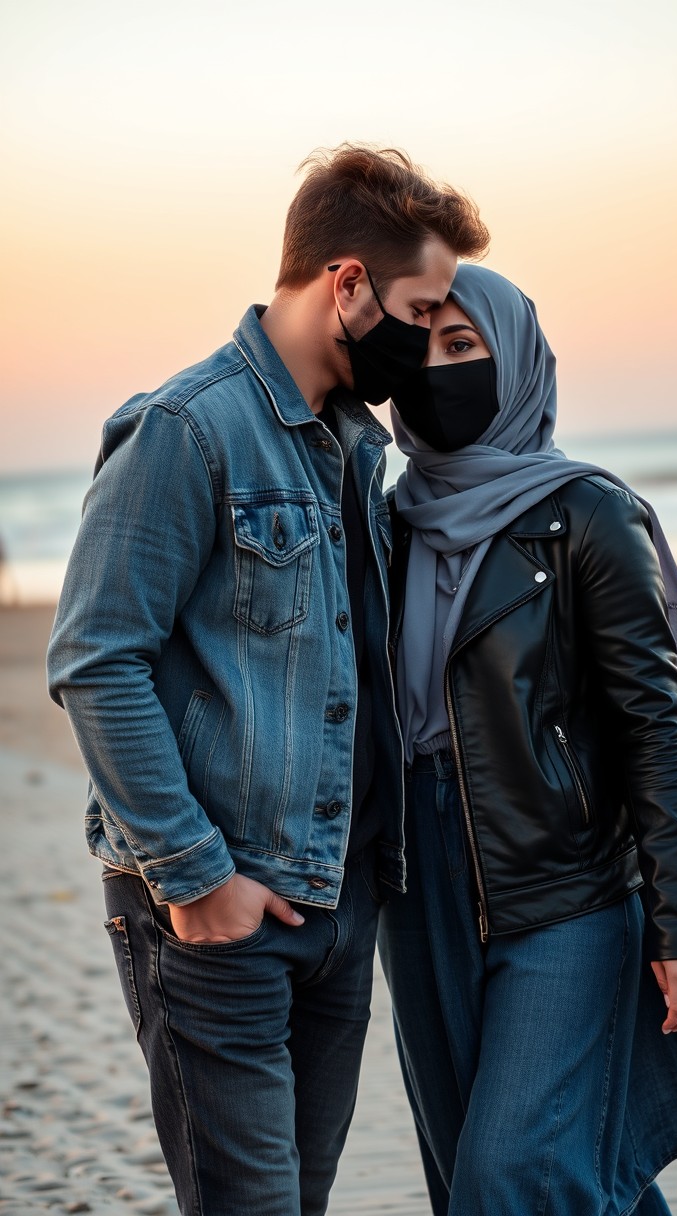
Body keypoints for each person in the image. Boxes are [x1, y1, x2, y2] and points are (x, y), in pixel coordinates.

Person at [46, 145, 489, 1216]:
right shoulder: (188, 430)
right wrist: (199, 881)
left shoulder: (356, 452)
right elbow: (96, 658)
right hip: (218, 909)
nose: (428, 338)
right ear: (345, 284)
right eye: (418, 307)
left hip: (332, 910)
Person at [378, 263, 677, 1216]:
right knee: (507, 1177)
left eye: (463, 345)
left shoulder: (587, 512)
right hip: (419, 897)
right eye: (419, 346)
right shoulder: (384, 524)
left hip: (565, 888)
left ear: (521, 362)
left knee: (512, 1180)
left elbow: (651, 726)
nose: (436, 366)